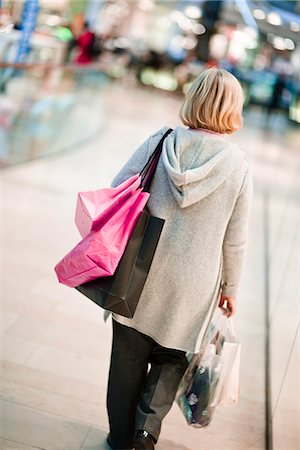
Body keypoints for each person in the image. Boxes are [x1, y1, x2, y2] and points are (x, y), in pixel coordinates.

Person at [106, 68, 253, 450]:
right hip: (195, 281)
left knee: (127, 357)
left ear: (193, 97)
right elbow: (235, 240)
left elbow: (116, 188)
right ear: (234, 108)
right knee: (171, 359)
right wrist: (231, 288)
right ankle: (145, 433)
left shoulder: (162, 140)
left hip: (139, 272)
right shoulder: (238, 166)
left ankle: (120, 436)